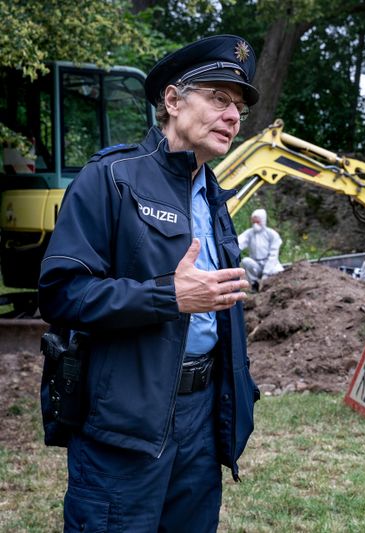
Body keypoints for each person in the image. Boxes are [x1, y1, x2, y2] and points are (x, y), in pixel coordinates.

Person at [38, 34, 262, 531]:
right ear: (173, 100)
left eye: (240, 106)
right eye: (219, 98)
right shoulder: (111, 177)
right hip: (126, 424)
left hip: (202, 418)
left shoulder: (213, 195)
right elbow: (61, 292)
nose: (233, 116)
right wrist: (169, 296)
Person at [238, 208, 284, 290]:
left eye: (257, 222)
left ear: (263, 220)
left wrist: (266, 273)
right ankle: (254, 284)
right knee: (246, 261)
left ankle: (275, 287)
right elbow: (239, 243)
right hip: (256, 264)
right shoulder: (250, 233)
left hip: (270, 264)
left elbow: (273, 255)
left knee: (278, 272)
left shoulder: (271, 234)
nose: (255, 224)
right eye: (253, 222)